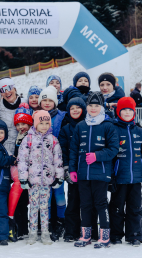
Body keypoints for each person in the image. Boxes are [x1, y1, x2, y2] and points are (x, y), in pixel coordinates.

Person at [69, 91, 119, 248]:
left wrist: (97, 156)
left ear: (101, 107)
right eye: (90, 105)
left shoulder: (108, 126)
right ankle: (86, 236)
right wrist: (73, 169)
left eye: (96, 105)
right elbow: (74, 150)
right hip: (84, 173)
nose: (93, 108)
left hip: (101, 173)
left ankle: (105, 236)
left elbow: (113, 149)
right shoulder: (80, 126)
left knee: (101, 204)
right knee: (85, 204)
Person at [18, 110, 64, 245]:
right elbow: (22, 159)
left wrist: (59, 176)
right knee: (33, 206)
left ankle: (45, 232)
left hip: (47, 181)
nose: (44, 126)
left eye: (46, 123)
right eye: (41, 123)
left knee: (44, 207)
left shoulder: (53, 140)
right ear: (35, 124)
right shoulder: (29, 139)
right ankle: (32, 231)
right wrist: (23, 178)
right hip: (33, 181)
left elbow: (58, 160)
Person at [58, 98, 99, 242]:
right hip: (74, 171)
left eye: (78, 108)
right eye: (71, 108)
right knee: (73, 201)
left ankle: (92, 230)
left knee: (90, 202)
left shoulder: (91, 125)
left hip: (89, 170)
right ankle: (71, 231)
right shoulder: (66, 129)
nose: (75, 110)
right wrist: (67, 168)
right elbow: (63, 150)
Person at [109, 97, 142, 246]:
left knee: (135, 207)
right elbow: (110, 154)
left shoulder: (139, 130)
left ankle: (134, 234)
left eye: (130, 110)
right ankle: (115, 234)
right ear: (118, 112)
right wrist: (110, 175)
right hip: (119, 176)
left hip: (135, 177)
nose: (127, 113)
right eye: (124, 110)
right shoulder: (113, 129)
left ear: (134, 112)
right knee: (116, 207)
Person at [38, 85, 66, 240]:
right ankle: (46, 223)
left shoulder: (62, 115)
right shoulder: (37, 115)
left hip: (57, 160)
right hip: (41, 163)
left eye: (50, 100)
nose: (47, 103)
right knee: (46, 195)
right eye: (44, 100)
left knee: (59, 192)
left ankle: (61, 221)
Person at [8, 103, 33, 241]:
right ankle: (21, 228)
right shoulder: (18, 136)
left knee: (30, 201)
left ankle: (33, 227)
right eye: (18, 124)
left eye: (24, 123)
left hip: (30, 173)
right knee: (21, 202)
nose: (20, 127)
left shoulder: (31, 136)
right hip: (21, 173)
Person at [0, 77, 26, 155]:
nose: (6, 92)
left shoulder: (26, 102)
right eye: (2, 90)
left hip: (26, 147)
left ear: (15, 88)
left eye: (9, 88)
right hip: (7, 151)